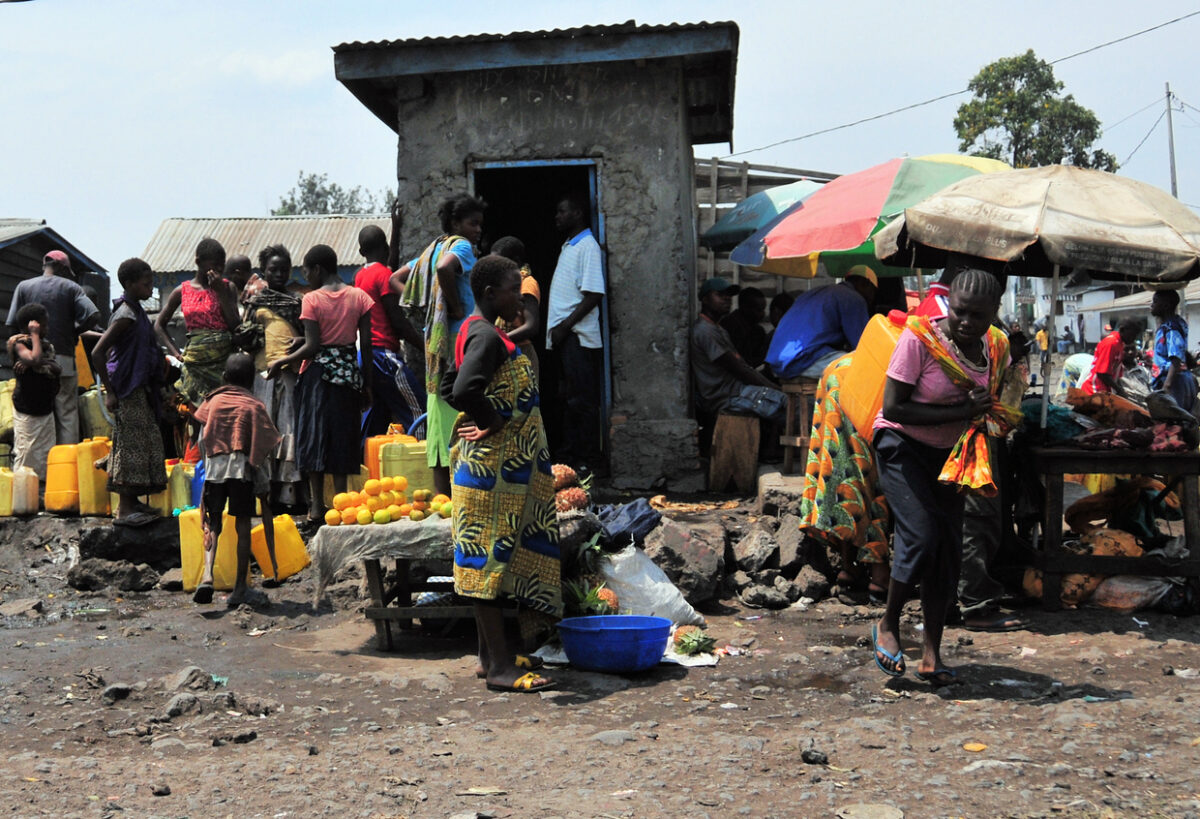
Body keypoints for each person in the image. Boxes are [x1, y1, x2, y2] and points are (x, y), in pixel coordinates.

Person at [871, 269, 1016, 685]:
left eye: (978, 315)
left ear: (994, 313)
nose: (966, 322)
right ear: (948, 304)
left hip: (953, 454)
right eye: (959, 312)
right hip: (901, 444)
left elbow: (1000, 401)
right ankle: (888, 622)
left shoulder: (996, 347)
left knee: (949, 549)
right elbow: (895, 408)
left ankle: (931, 655)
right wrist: (963, 410)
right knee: (921, 534)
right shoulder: (920, 339)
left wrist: (989, 406)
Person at [441, 254, 560, 693]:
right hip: (490, 472)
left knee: (487, 563)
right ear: (491, 294)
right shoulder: (487, 336)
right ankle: (500, 670)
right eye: (514, 290)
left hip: (495, 472)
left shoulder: (477, 330)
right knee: (487, 564)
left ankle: (489, 657)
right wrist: (490, 420)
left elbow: (446, 383)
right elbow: (462, 387)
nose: (521, 298)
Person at [268, 244, 373, 523]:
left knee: (313, 437)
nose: (306, 278)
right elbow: (367, 346)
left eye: (306, 272)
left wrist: (282, 360)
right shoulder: (360, 297)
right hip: (348, 376)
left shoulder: (312, 299)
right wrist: (367, 385)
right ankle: (342, 504)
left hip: (317, 377)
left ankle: (316, 507)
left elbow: (314, 346)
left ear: (317, 269)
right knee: (342, 438)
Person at [392, 194, 485, 496]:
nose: (478, 230)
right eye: (473, 223)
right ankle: (465, 494)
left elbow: (395, 279)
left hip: (435, 340)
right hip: (458, 339)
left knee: (437, 413)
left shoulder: (432, 249)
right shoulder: (460, 247)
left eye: (480, 224)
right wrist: (454, 307)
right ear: (456, 224)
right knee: (463, 410)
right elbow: (446, 269)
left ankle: (442, 498)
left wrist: (428, 305)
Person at [193, 353, 280, 608]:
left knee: (212, 523)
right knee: (243, 525)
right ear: (252, 380)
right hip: (242, 472)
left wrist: (210, 464)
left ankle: (207, 576)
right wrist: (262, 480)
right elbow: (264, 445)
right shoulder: (254, 405)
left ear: (224, 377)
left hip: (215, 470)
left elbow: (201, 439)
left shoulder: (213, 401)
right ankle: (240, 587)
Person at [91, 258, 167, 527]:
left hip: (139, 386)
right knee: (131, 446)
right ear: (130, 284)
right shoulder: (125, 315)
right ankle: (124, 510)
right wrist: (110, 392)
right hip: (126, 387)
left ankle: (133, 502)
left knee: (144, 443)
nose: (150, 288)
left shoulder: (137, 311)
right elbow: (98, 352)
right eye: (146, 284)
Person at [6, 249, 100, 445]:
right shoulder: (71, 287)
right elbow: (94, 315)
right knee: (67, 412)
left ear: (45, 265)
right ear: (62, 268)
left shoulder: (24, 286)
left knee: (38, 413)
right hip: (63, 359)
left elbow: (12, 324)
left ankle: (42, 461)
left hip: (31, 362)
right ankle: (66, 459)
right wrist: (74, 332)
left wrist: (20, 354)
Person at [545, 193, 606, 474]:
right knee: (569, 400)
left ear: (578, 213)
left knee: (582, 402)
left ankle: (589, 460)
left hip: (577, 337)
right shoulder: (570, 245)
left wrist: (565, 326)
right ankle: (571, 456)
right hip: (566, 336)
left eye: (562, 211)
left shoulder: (587, 246)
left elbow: (594, 294)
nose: (557, 217)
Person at [690, 278, 785, 452]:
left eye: (728, 295)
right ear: (705, 299)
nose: (726, 299)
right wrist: (774, 388)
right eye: (720, 295)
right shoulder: (704, 331)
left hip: (736, 391)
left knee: (789, 406)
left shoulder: (718, 329)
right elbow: (739, 369)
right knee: (789, 404)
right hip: (727, 396)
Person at [246, 244, 305, 510]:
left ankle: (289, 493)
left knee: (289, 428)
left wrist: (300, 341)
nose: (279, 274)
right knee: (264, 430)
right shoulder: (255, 302)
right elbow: (246, 336)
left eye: (283, 269)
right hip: (262, 375)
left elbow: (311, 335)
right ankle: (266, 493)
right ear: (264, 271)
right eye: (273, 270)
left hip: (290, 373)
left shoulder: (298, 302)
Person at [355, 222, 425, 440]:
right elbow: (398, 323)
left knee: (376, 417)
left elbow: (388, 265)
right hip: (384, 357)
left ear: (361, 252)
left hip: (366, 357)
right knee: (419, 411)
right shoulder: (384, 275)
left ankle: (363, 458)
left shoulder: (360, 276)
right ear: (384, 248)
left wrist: (395, 230)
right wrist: (426, 347)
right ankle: (425, 456)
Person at [155, 238, 240, 408]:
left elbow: (235, 326)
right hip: (195, 365)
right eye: (215, 265)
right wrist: (176, 353)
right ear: (198, 262)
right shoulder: (182, 291)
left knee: (222, 409)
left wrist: (220, 292)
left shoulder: (227, 287)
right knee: (196, 412)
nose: (219, 270)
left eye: (222, 265)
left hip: (222, 363)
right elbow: (159, 325)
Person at [765, 266, 878, 379]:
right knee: (867, 366)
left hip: (778, 363)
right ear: (865, 284)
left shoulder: (815, 293)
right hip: (802, 361)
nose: (873, 298)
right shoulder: (853, 298)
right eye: (873, 291)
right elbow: (863, 347)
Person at [7, 303, 61, 482]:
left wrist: (41, 362)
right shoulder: (19, 344)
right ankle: (23, 493)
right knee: (27, 452)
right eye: (42, 326)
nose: (47, 329)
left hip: (45, 408)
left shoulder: (46, 346)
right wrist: (35, 335)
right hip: (27, 409)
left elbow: (56, 368)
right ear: (31, 326)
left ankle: (40, 490)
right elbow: (35, 359)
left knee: (45, 453)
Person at [491, 236, 542, 381]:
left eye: (499, 262)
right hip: (504, 353)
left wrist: (499, 340)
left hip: (521, 354)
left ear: (515, 261)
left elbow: (531, 326)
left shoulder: (527, 283)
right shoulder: (501, 286)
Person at [1150, 289, 1198, 412]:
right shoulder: (1174, 323)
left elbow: (1176, 358)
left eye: (1155, 302)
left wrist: (1167, 386)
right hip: (1178, 380)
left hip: (1175, 383)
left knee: (1173, 420)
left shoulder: (1171, 328)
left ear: (1166, 306)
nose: (1151, 305)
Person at [1081, 319, 1140, 396]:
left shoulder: (1120, 344)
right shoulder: (1111, 343)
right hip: (1094, 390)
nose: (1133, 339)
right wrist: (1118, 389)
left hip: (1104, 390)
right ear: (1122, 330)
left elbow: (1115, 373)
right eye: (1132, 335)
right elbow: (1102, 373)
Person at [720, 286, 768, 369]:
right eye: (759, 310)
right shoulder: (730, 327)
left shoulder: (758, 331)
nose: (763, 314)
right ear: (745, 308)